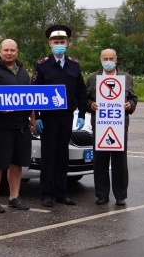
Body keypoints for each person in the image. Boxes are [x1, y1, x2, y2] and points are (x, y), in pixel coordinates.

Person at [32, 25, 88, 208]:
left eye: (62, 42)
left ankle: (62, 192)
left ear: (67, 43)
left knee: (63, 155)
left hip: (67, 117)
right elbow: (34, 92)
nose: (59, 45)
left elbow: (81, 91)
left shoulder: (74, 65)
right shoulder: (42, 65)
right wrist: (37, 117)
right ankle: (47, 194)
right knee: (48, 156)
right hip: (48, 118)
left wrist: (81, 114)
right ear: (50, 44)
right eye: (56, 42)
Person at [0, 39, 35, 213]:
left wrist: (32, 118)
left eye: (12, 50)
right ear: (0, 51)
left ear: (17, 52)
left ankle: (14, 197)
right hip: (1, 126)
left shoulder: (23, 71)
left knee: (17, 163)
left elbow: (30, 97)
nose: (9, 53)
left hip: (21, 126)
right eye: (6, 50)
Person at [86, 48, 137, 206]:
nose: (108, 61)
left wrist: (130, 105)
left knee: (119, 161)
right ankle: (102, 194)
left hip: (119, 125)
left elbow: (134, 98)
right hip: (100, 124)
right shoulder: (93, 78)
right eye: (105, 58)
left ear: (116, 60)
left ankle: (120, 195)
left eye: (111, 58)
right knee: (100, 161)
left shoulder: (125, 78)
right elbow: (85, 98)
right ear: (101, 60)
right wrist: (90, 105)